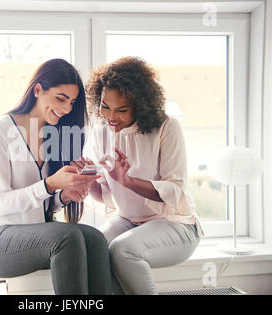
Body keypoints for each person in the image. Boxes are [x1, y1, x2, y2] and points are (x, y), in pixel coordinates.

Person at [0, 58, 112, 295]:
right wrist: (52, 183)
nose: (66, 109)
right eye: (60, 98)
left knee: (95, 239)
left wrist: (64, 195)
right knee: (67, 236)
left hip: (30, 230)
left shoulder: (52, 135)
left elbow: (38, 206)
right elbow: (0, 203)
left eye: (72, 102)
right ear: (37, 90)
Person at [72, 56, 203, 295]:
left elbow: (174, 191)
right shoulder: (101, 132)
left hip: (175, 224)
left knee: (123, 249)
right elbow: (104, 196)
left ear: (140, 105)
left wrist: (127, 181)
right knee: (93, 246)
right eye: (105, 106)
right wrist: (86, 178)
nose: (111, 116)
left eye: (122, 110)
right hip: (128, 221)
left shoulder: (166, 127)